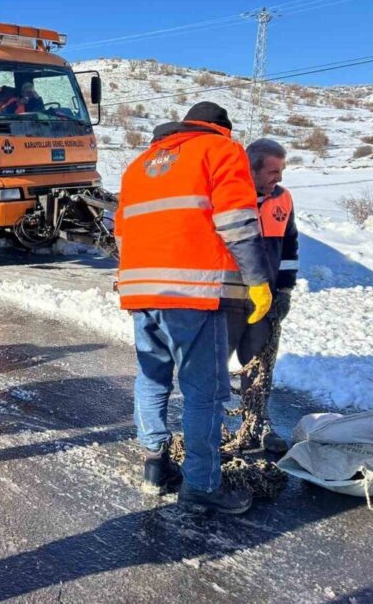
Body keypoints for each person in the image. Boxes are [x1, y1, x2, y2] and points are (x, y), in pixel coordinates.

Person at [114, 101, 272, 515]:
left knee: (152, 380)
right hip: (192, 293)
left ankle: (155, 466)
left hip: (140, 291)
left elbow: (122, 233)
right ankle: (202, 485)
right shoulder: (220, 151)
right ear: (222, 128)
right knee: (204, 393)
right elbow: (237, 221)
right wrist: (258, 281)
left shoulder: (138, 165)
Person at [226, 138, 297, 454]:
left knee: (259, 367)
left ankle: (258, 424)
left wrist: (284, 289)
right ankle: (207, 426)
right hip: (225, 298)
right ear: (250, 169)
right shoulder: (227, 197)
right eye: (273, 171)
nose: (279, 178)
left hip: (265, 301)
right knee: (211, 368)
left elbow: (290, 247)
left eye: (281, 170)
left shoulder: (283, 200)